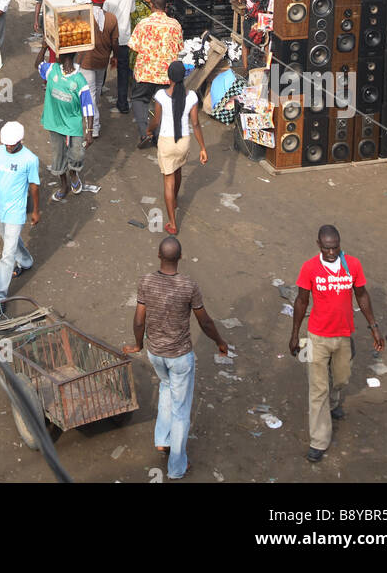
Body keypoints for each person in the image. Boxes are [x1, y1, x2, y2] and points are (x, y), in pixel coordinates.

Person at [124, 237, 228, 481]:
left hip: (155, 353)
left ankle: (162, 440)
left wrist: (138, 344)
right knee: (181, 411)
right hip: (180, 357)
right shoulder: (189, 286)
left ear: (158, 256)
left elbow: (139, 320)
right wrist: (220, 342)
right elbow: (205, 321)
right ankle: (177, 467)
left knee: (166, 389)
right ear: (180, 258)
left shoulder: (146, 281)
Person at [289, 225, 384, 464]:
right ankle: (318, 441)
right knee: (317, 388)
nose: (332, 253)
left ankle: (333, 402)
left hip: (343, 336)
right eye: (327, 248)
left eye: (335, 247)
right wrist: (294, 334)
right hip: (316, 337)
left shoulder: (352, 265)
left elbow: (361, 295)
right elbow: (301, 301)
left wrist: (374, 327)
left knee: (341, 379)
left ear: (340, 244)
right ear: (318, 245)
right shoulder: (309, 268)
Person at [0, 122, 40, 312]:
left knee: (7, 255)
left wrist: (35, 210)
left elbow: (34, 186)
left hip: (16, 212)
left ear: (20, 141)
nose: (8, 146)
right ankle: (26, 261)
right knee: (10, 241)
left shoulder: (30, 159)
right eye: (6, 143)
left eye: (12, 143)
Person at [147, 61, 208, 235]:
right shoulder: (192, 97)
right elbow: (195, 124)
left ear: (169, 77)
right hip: (184, 141)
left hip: (166, 142)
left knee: (168, 180)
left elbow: (156, 121)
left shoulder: (161, 95)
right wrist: (203, 148)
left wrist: (149, 130)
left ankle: (173, 224)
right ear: (184, 76)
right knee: (178, 169)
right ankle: (174, 200)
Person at [129, 0, 184, 150]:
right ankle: (159, 135)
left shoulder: (143, 23)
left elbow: (134, 46)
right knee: (162, 104)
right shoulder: (175, 25)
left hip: (146, 71)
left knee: (139, 100)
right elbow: (180, 47)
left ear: (151, 5)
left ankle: (145, 133)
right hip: (167, 74)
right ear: (166, 7)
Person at [37, 51, 94, 201]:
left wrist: (89, 131)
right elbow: (37, 65)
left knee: (77, 154)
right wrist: (43, 47)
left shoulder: (79, 80)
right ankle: (64, 185)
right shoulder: (52, 70)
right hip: (54, 123)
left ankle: (74, 174)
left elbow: (88, 106)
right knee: (58, 156)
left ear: (65, 57)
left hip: (72, 124)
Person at [77, 0, 120, 139]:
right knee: (95, 91)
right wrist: (114, 57)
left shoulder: (84, 16)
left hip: (86, 62)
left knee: (91, 95)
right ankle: (93, 124)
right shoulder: (111, 18)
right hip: (102, 61)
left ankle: (92, 127)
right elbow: (115, 41)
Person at [102, 0, 135, 115]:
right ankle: (123, 103)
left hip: (108, 35)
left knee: (102, 63)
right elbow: (132, 10)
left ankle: (99, 87)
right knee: (123, 70)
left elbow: (103, 13)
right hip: (124, 36)